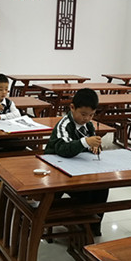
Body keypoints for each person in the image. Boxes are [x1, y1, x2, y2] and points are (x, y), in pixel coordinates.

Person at [44, 88, 109, 236]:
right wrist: (86, 142)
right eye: (83, 114)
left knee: (102, 186)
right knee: (86, 190)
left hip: (78, 167)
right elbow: (63, 149)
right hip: (56, 168)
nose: (87, 118)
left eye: (91, 115)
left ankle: (93, 225)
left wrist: (95, 148)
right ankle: (81, 225)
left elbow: (92, 145)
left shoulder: (89, 126)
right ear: (72, 107)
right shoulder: (64, 124)